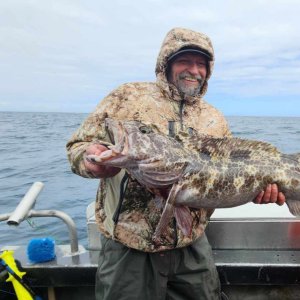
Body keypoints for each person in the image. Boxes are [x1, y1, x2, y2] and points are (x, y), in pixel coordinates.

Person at [66, 27, 286, 300]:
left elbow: (234, 171)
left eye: (201, 64)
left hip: (192, 247)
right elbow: (78, 147)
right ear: (166, 63)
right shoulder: (127, 96)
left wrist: (259, 191)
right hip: (130, 248)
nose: (193, 70)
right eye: (185, 61)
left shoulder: (214, 117)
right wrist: (90, 161)